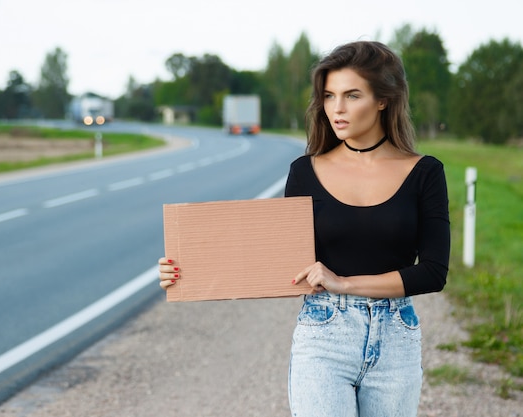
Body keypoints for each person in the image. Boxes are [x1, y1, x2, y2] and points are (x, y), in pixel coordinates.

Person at [158, 40, 450, 417]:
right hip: (324, 335)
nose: (337, 108)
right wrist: (185, 269)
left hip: (397, 337)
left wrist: (345, 282)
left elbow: (433, 272)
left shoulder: (426, 172)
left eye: (351, 95)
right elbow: (275, 259)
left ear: (383, 100)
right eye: (329, 96)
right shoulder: (304, 171)